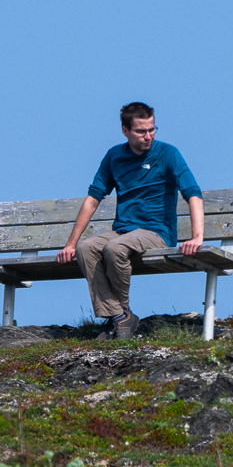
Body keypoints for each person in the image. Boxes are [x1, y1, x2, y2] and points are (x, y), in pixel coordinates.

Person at [54, 102, 205, 338]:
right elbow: (93, 199)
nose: (148, 136)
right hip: (124, 231)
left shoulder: (168, 154)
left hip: (156, 233)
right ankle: (120, 316)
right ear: (125, 131)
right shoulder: (115, 156)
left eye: (152, 129)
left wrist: (197, 237)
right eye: (141, 131)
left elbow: (193, 194)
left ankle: (119, 317)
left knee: (115, 248)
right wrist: (71, 244)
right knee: (86, 248)